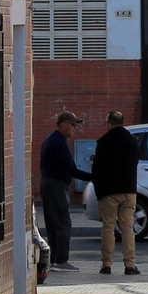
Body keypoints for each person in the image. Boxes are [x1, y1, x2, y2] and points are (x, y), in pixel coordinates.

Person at [90, 111, 142, 276]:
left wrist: (99, 191)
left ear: (109, 123)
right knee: (127, 227)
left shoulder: (104, 142)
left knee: (108, 227)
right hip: (128, 190)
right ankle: (130, 265)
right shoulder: (132, 142)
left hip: (108, 192)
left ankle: (106, 265)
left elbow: (97, 169)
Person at [39, 111, 91, 271]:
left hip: (48, 184)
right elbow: (71, 169)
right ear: (63, 124)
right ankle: (60, 260)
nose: (75, 128)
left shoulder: (51, 139)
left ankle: (55, 260)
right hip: (56, 185)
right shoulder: (58, 142)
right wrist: (93, 176)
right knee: (63, 223)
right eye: (73, 124)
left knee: (53, 223)